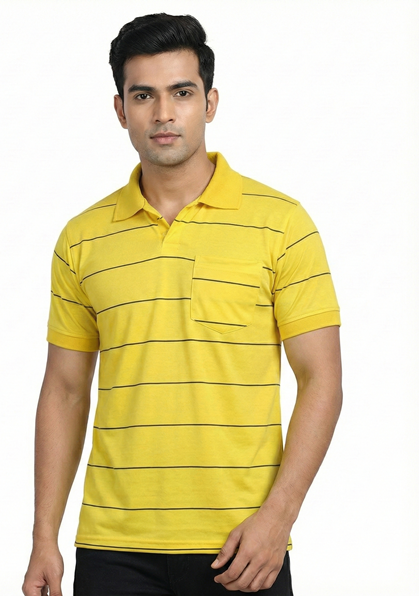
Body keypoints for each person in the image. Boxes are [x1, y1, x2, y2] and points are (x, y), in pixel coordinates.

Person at [23, 13, 342, 596]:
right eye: (143, 95)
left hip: (243, 544)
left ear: (210, 103)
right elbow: (64, 390)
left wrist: (279, 518)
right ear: (120, 109)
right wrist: (45, 535)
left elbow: (322, 379)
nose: (163, 113)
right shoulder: (82, 238)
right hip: (113, 548)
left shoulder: (282, 225)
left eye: (182, 93)